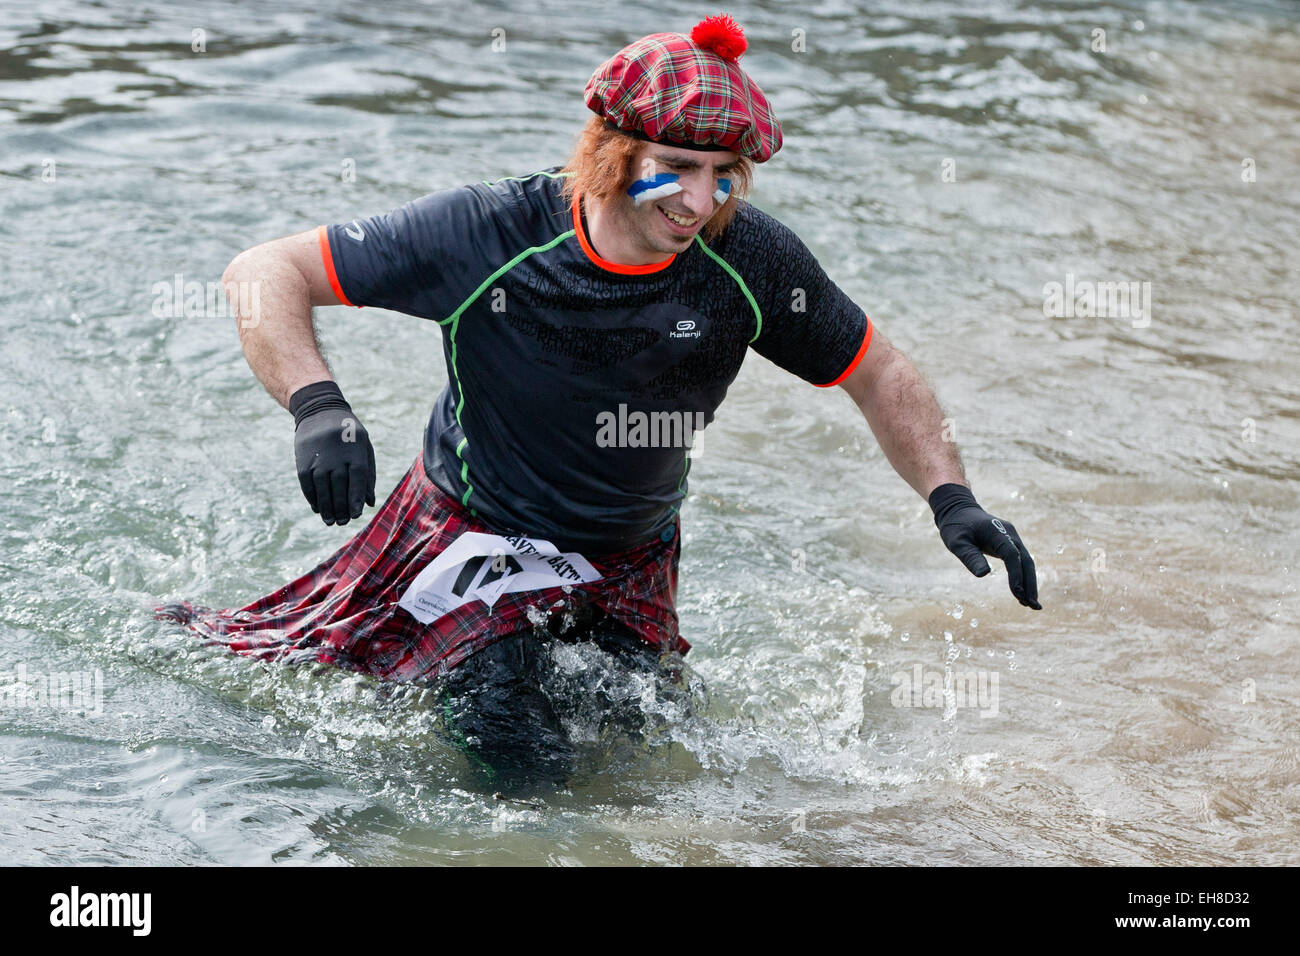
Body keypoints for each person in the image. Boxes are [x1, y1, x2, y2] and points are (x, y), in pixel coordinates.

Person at [156, 14, 1040, 792]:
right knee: (514, 748)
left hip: (628, 555)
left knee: (641, 754)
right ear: (612, 154)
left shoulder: (749, 260)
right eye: (677, 169)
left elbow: (878, 372)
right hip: (474, 531)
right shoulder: (491, 232)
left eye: (725, 174)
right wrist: (317, 405)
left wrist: (949, 496)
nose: (701, 201)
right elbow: (263, 271)